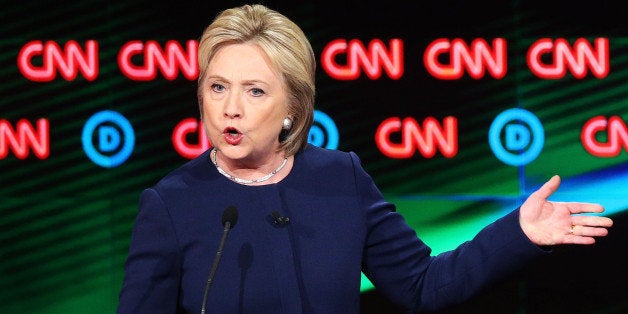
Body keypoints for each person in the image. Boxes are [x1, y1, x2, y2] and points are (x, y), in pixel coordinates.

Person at [116, 4, 613, 314]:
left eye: (255, 91)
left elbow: (423, 285)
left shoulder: (340, 178)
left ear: (293, 106)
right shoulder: (171, 204)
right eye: (217, 87)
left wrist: (517, 232)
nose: (231, 108)